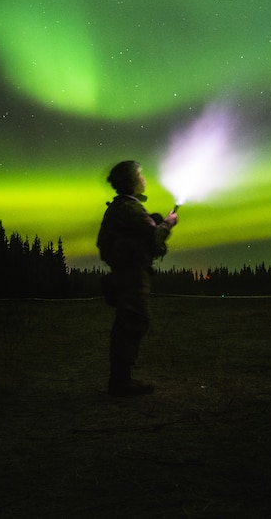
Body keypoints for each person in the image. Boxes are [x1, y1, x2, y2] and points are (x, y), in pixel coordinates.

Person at [96, 160, 178, 396]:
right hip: (131, 274)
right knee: (133, 321)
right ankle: (121, 383)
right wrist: (169, 223)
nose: (144, 179)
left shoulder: (119, 207)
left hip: (126, 272)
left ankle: (121, 379)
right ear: (131, 182)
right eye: (140, 175)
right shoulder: (129, 208)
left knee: (130, 322)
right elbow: (155, 236)